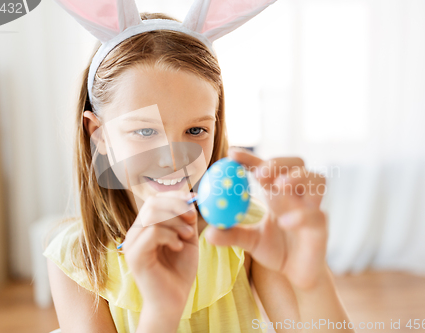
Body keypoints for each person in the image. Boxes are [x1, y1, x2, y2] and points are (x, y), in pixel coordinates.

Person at [44, 3, 354, 333]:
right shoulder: (77, 259)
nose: (174, 160)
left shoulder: (248, 231)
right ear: (99, 135)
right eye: (145, 131)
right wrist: (161, 311)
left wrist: (312, 281)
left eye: (195, 131)